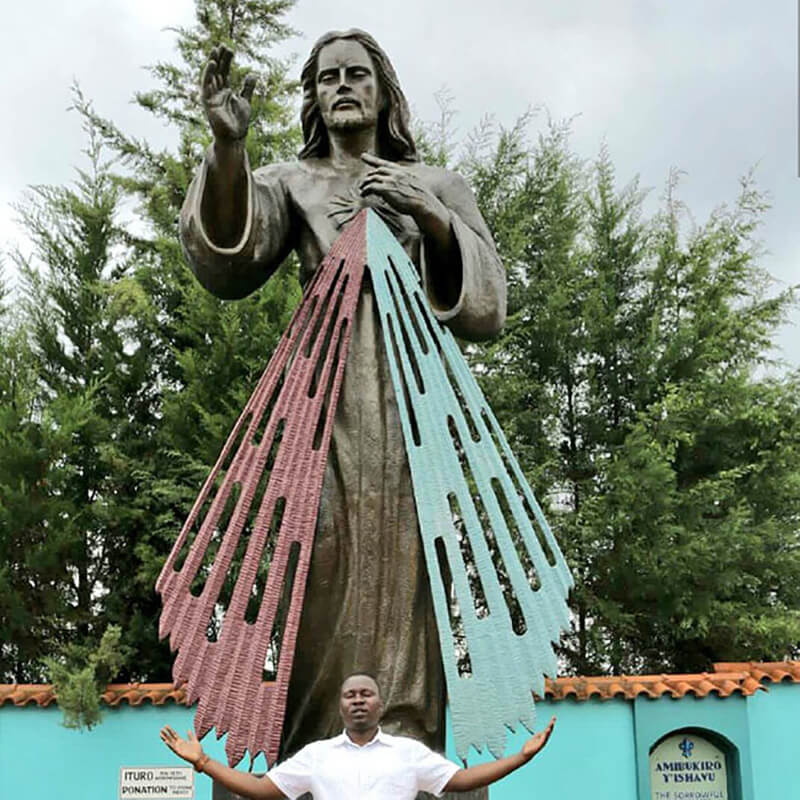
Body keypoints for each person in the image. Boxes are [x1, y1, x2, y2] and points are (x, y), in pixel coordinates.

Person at [180, 29, 506, 757]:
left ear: (384, 91)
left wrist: (428, 217)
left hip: (407, 405)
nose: (343, 87)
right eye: (328, 78)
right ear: (314, 97)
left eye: (357, 74)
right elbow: (226, 262)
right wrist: (228, 150)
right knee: (320, 564)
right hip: (321, 404)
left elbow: (488, 307)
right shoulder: (292, 182)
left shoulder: (440, 184)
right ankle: (312, 755)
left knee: (407, 574)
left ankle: (407, 747)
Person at [160, 674, 555, 799]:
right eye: (350, 695)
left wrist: (521, 758)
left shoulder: (408, 753)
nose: (358, 701)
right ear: (341, 706)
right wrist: (202, 762)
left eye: (366, 694)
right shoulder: (317, 756)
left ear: (380, 704)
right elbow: (262, 791)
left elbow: (461, 780)